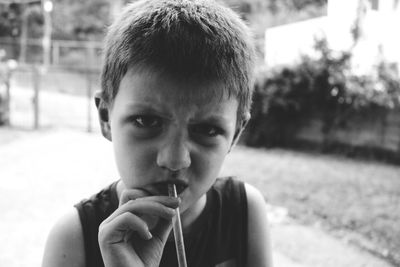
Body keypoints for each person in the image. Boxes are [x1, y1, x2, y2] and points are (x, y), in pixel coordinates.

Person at [42, 0, 272, 266]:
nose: (175, 160)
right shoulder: (73, 238)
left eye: (207, 130)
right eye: (146, 121)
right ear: (106, 116)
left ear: (235, 134)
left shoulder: (243, 213)